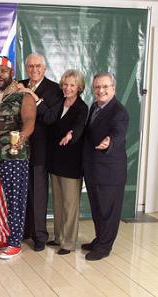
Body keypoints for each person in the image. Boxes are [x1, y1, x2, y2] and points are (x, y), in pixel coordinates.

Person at [0, 56, 36, 259]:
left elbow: (30, 120)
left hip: (14, 155)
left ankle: (15, 242)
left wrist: (22, 137)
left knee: (15, 199)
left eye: (3, 71)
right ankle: (3, 236)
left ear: (11, 73)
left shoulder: (23, 95)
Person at [82, 72, 129, 261]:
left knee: (108, 211)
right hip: (94, 169)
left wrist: (109, 142)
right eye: (97, 87)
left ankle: (104, 247)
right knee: (97, 208)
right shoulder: (94, 106)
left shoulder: (119, 111)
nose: (101, 90)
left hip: (110, 171)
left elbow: (118, 133)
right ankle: (100, 239)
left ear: (113, 88)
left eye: (105, 87)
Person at [19, 53, 62, 251]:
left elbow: (51, 118)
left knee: (38, 194)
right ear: (26, 68)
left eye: (38, 66)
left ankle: (39, 236)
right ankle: (23, 231)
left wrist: (35, 98)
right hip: (18, 149)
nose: (34, 70)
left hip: (41, 151)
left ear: (44, 68)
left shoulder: (54, 89)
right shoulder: (18, 85)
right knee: (21, 192)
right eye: (30, 66)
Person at [46, 69, 88, 255]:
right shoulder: (59, 102)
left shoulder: (82, 107)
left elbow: (78, 127)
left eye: (72, 85)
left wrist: (71, 134)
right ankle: (58, 237)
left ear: (79, 87)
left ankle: (68, 243)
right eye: (65, 84)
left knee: (70, 204)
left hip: (71, 162)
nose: (67, 88)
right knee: (58, 202)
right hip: (55, 160)